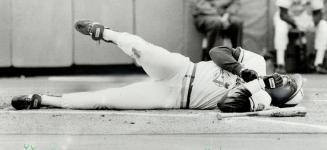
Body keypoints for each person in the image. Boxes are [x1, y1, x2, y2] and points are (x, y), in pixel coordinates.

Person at [11, 20, 303, 112]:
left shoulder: (262, 100)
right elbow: (217, 51)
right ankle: (106, 33)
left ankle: (42, 100)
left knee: (108, 101)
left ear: (283, 100)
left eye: (288, 85)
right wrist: (242, 71)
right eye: (288, 77)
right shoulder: (256, 62)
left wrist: (252, 90)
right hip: (181, 69)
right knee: (143, 49)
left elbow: (226, 105)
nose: (284, 79)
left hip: (174, 98)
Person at [274, 0, 327, 74]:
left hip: (306, 19)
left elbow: (318, 13)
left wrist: (313, 23)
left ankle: (318, 64)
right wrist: (295, 23)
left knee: (323, 25)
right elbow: (283, 14)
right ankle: (280, 64)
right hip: (288, 19)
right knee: (280, 26)